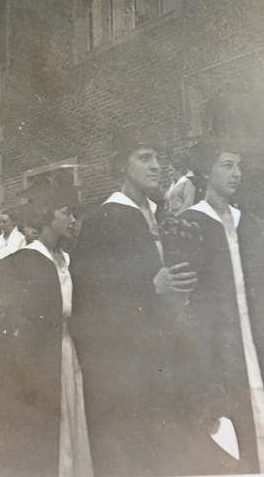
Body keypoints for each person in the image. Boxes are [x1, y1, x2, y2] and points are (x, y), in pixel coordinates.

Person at [71, 124, 197, 476]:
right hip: (124, 370)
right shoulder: (104, 220)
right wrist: (149, 289)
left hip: (162, 361)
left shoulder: (157, 216)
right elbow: (89, 297)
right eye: (144, 158)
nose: (156, 165)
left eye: (157, 158)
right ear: (121, 166)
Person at [177, 139, 264, 474]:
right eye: (226, 165)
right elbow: (188, 299)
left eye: (238, 166)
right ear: (206, 171)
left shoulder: (244, 221)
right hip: (218, 337)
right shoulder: (192, 222)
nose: (236, 173)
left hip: (253, 331)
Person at [0, 183, 93, 477]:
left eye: (76, 213)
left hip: (69, 355)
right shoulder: (24, 263)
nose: (74, 220)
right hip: (40, 363)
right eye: (67, 213)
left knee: (73, 424)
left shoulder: (71, 261)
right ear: (47, 216)